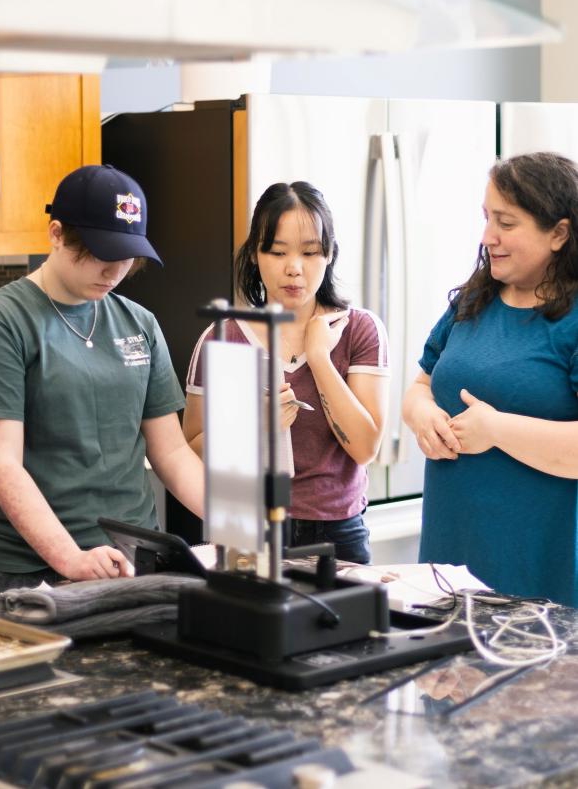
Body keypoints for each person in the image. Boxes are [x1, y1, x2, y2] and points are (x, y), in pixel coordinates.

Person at [0, 164, 204, 598]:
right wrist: (70, 557)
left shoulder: (139, 324)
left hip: (134, 561)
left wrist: (240, 525)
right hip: (29, 571)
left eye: (125, 256)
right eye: (98, 252)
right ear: (55, 234)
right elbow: (2, 465)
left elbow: (172, 451)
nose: (113, 270)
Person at [403, 151, 578, 606]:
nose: (488, 237)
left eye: (506, 222)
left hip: (543, 579)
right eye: (486, 218)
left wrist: (496, 430)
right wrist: (422, 416)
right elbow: (421, 386)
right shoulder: (473, 299)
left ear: (559, 233)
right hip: (449, 565)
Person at [182, 181, 390, 563]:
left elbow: (364, 447)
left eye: (311, 252)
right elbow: (189, 449)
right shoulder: (224, 337)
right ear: (255, 256)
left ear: (329, 256)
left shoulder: (359, 330)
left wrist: (320, 358)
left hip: (337, 533)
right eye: (278, 252)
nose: (294, 268)